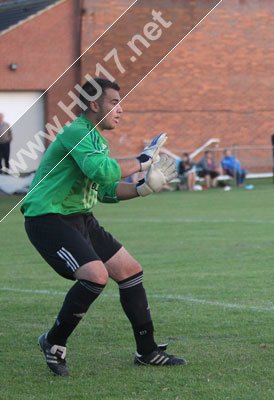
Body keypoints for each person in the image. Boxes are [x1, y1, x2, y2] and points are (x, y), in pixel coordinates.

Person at [21, 78, 185, 377]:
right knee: (95, 275)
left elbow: (106, 188)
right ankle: (53, 341)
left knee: (130, 271)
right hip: (47, 218)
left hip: (80, 218)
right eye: (114, 103)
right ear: (94, 105)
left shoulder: (97, 140)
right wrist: (142, 161)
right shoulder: (76, 132)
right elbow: (101, 169)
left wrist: (142, 189)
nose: (120, 109)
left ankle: (147, 352)